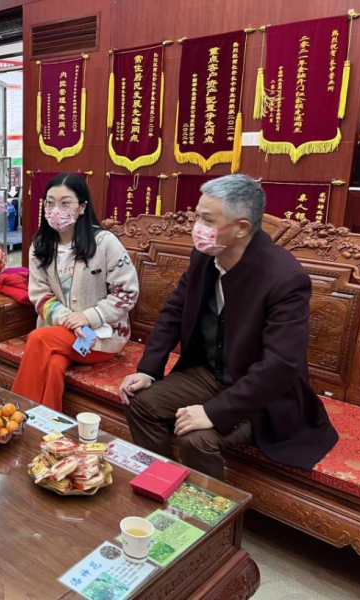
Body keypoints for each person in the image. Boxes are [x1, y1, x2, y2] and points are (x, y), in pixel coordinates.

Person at [120, 174, 338, 480]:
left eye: (207, 220)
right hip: (210, 374)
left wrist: (213, 413)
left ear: (241, 228)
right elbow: (174, 311)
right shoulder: (205, 255)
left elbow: (281, 365)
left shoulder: (284, 278)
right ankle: (163, 483)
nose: (197, 227)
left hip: (264, 395)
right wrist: (148, 370)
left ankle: (208, 507)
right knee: (140, 402)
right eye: (197, 216)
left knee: (195, 437)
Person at [11, 173, 139, 410]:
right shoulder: (40, 245)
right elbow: (39, 294)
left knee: (38, 338)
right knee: (54, 365)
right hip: (61, 332)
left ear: (82, 207)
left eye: (65, 203)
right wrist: (68, 320)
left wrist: (88, 317)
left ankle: (15, 414)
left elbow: (127, 292)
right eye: (50, 203)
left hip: (101, 337)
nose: (56, 210)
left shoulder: (105, 243)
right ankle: (48, 426)